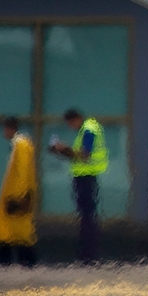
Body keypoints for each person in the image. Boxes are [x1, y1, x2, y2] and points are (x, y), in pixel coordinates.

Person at [49, 107, 107, 263]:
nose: (71, 127)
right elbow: (79, 155)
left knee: (87, 218)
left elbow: (84, 155)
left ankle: (88, 256)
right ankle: (87, 254)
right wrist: (62, 151)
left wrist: (64, 149)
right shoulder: (87, 129)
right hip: (85, 177)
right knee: (86, 217)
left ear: (77, 118)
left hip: (86, 178)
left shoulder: (88, 129)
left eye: (71, 123)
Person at [0, 116, 37, 267]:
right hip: (16, 195)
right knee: (14, 233)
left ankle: (12, 263)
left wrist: (20, 196)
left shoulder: (20, 145)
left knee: (13, 232)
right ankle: (16, 262)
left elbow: (22, 172)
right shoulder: (21, 144)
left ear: (9, 128)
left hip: (15, 196)